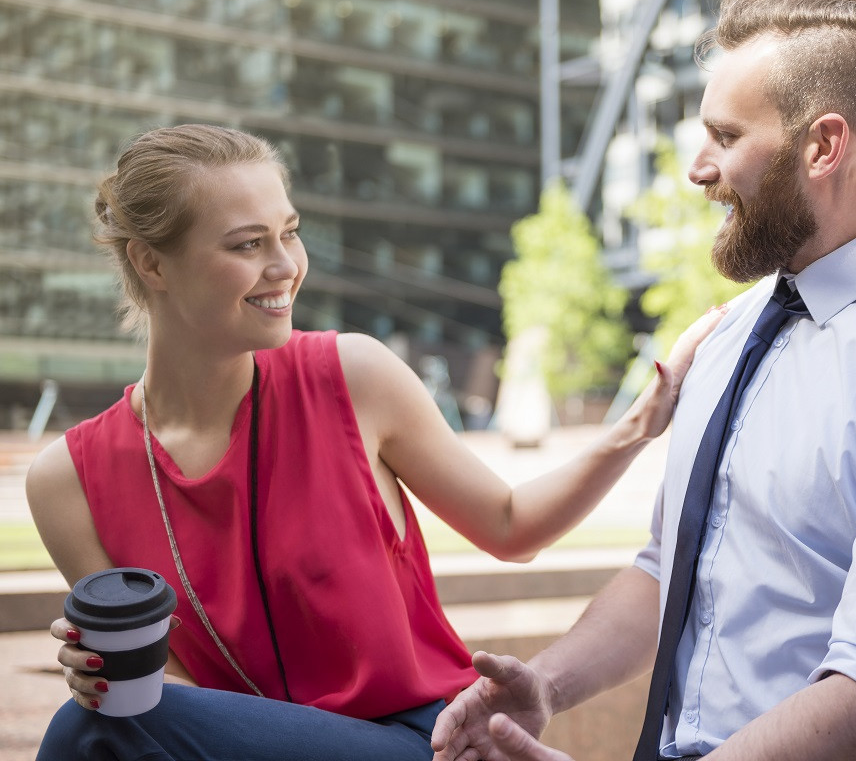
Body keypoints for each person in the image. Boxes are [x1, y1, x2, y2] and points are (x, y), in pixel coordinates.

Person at [431, 0, 856, 760]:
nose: (698, 169)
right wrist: (547, 684)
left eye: (726, 138)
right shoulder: (728, 336)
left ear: (824, 146)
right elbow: (666, 569)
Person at [27, 123, 722, 761]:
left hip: (425, 742)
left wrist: (640, 423)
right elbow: (169, 702)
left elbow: (512, 526)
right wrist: (107, 675)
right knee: (105, 716)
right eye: (247, 244)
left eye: (290, 233)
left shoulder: (351, 376)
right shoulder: (68, 483)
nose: (286, 266)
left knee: (88, 729)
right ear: (151, 264)